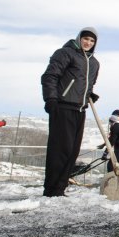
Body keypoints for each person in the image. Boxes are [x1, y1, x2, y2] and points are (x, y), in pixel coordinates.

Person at [41, 28, 100, 197]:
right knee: (60, 150)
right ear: (79, 38)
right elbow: (50, 76)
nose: (88, 43)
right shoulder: (65, 53)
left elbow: (86, 84)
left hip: (80, 109)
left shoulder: (94, 62)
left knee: (73, 151)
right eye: (85, 39)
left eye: (92, 41)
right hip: (63, 106)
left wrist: (88, 94)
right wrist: (50, 99)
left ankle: (60, 188)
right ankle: (51, 190)